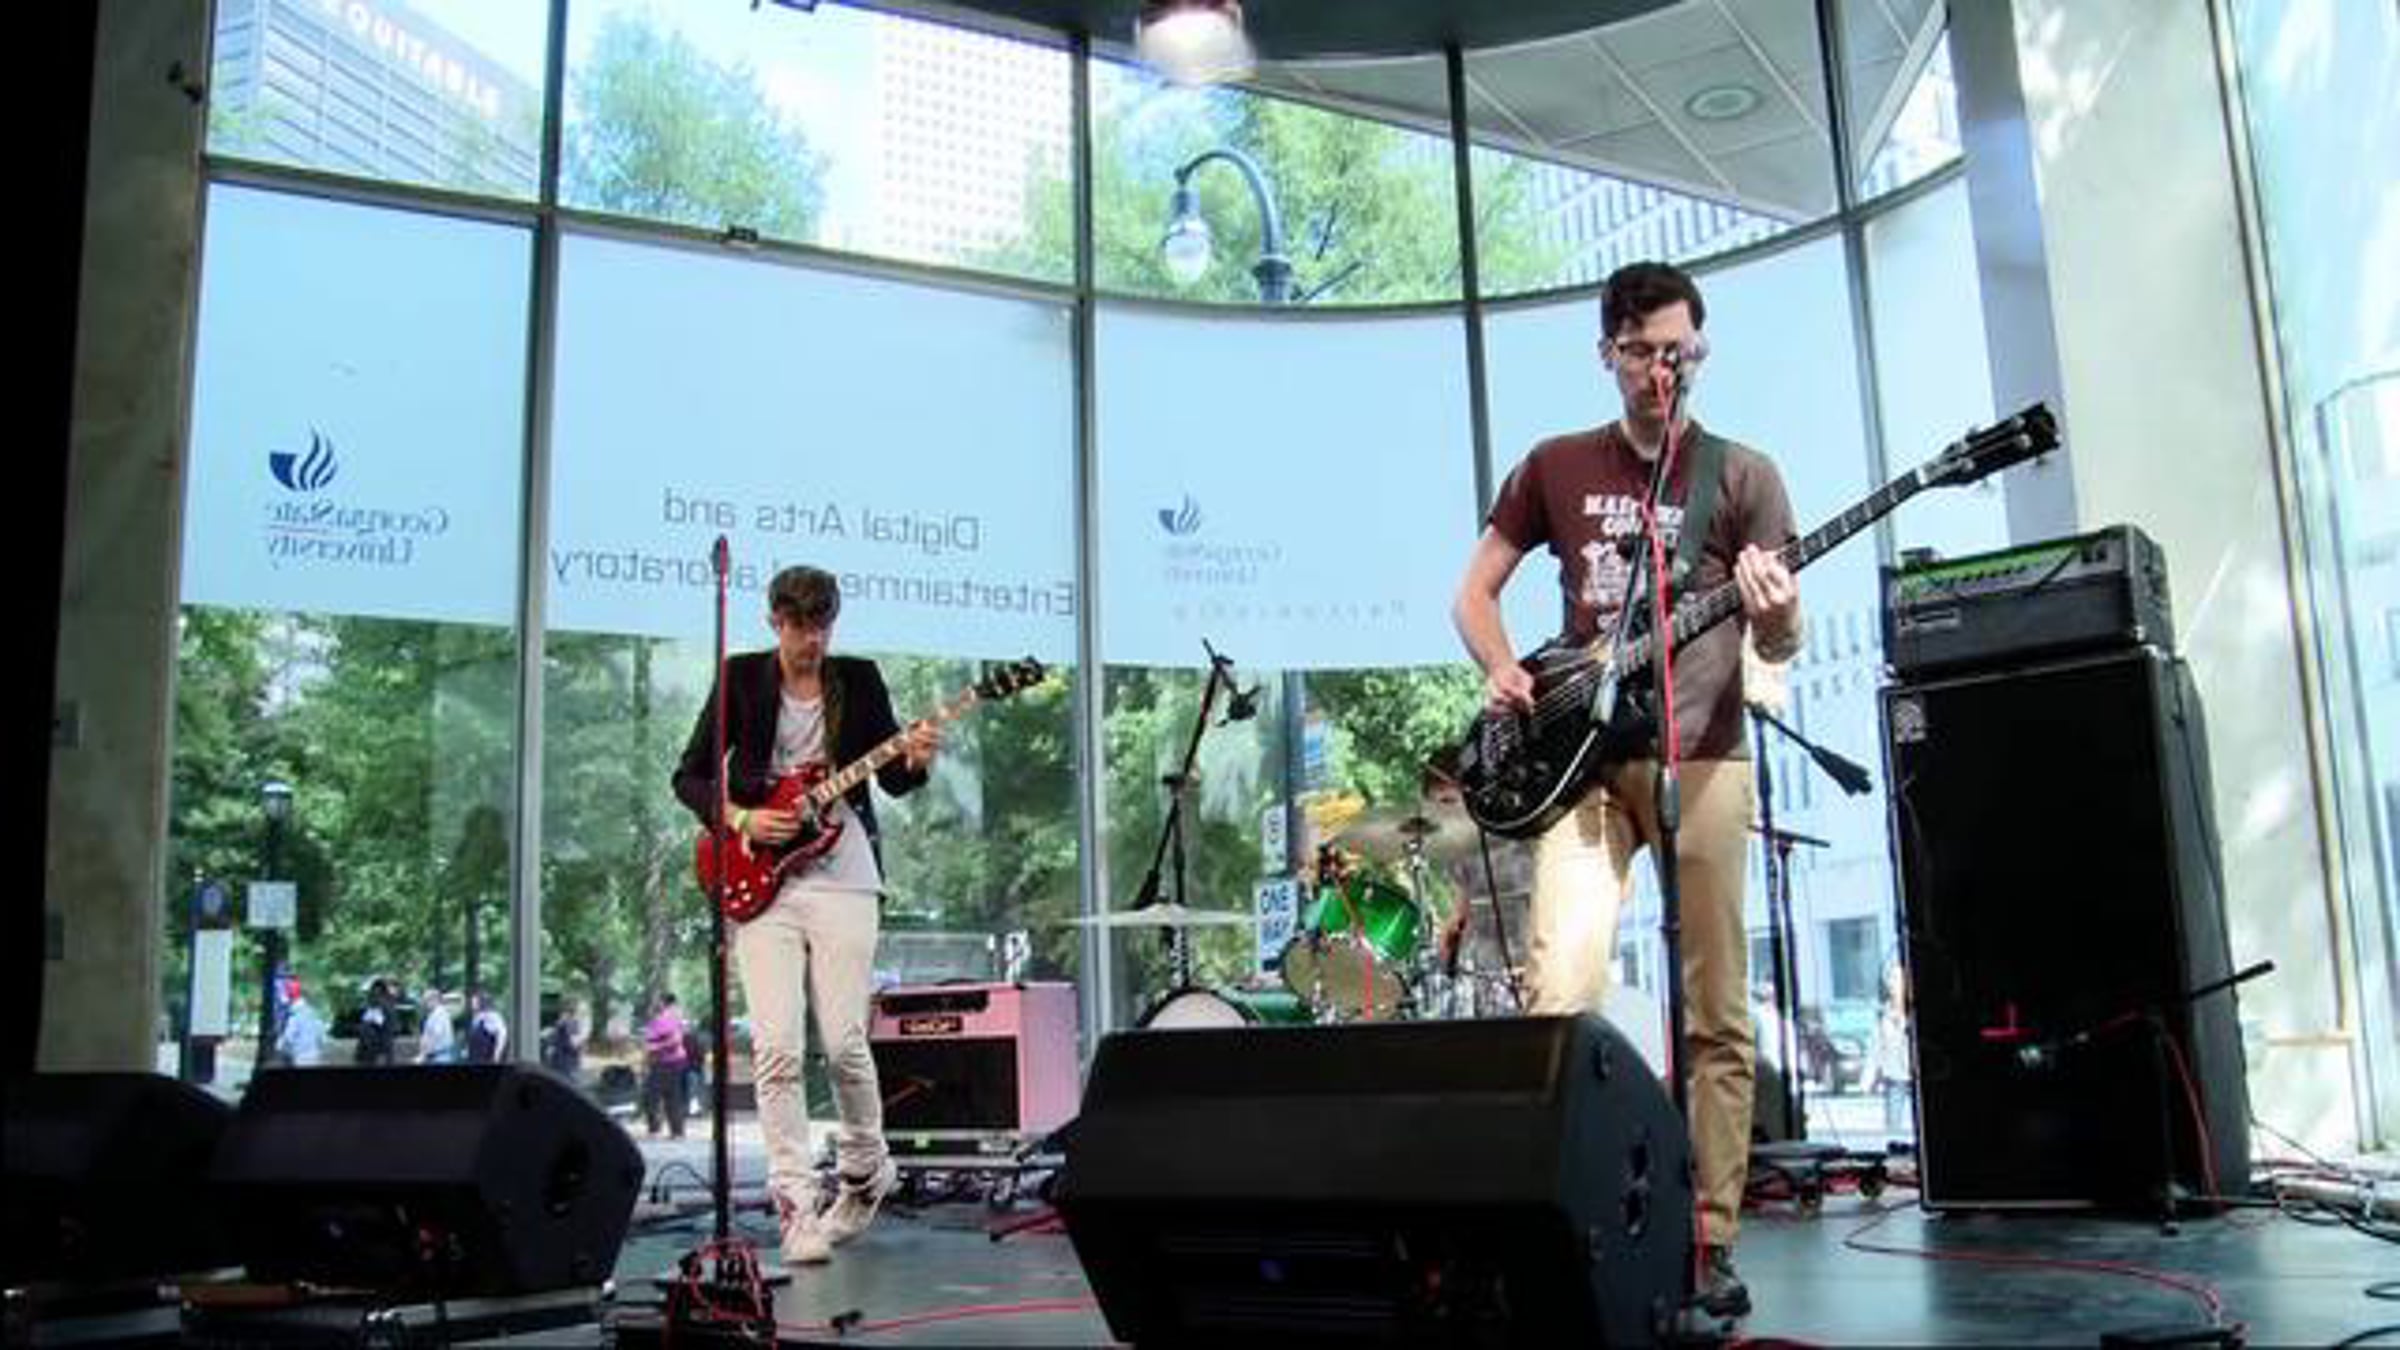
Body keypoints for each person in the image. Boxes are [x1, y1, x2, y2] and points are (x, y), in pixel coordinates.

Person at [1451, 260, 1801, 1322]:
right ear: (1608, 351)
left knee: (1716, 1014)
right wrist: (1501, 667)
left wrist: (1774, 611)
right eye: (1644, 351)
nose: (1662, 371)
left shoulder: (1744, 474)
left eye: (1679, 352)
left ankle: (1710, 1241)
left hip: (1706, 756)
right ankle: (1554, 1228)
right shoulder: (1556, 464)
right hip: (1586, 769)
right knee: (1560, 997)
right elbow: (1474, 592)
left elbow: (1783, 639)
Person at [671, 564, 940, 1267]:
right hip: (765, 880)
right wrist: (741, 818)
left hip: (845, 873)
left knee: (845, 1042)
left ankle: (866, 1168)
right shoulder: (741, 678)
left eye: (821, 626)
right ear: (775, 622)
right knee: (777, 1050)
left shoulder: (860, 680)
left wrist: (917, 759)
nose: (810, 640)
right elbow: (689, 775)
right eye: (797, 626)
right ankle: (795, 1203)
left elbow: (894, 781)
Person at [1866, 961, 1915, 1137]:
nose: (1894, 983)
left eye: (1899, 978)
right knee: (1894, 1130)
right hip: (1894, 1077)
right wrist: (1868, 1078)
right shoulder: (1883, 1013)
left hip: (1916, 1074)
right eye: (1891, 978)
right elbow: (1876, 1046)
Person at [642, 993, 690, 1139]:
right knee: (670, 1096)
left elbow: (675, 1040)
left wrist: (655, 1047)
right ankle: (675, 1131)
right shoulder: (666, 1019)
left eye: (657, 1001)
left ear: (663, 1004)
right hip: (668, 1062)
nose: (653, 1004)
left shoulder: (668, 1019)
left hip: (667, 1062)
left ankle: (659, 1130)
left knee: (654, 1095)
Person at [275, 980, 325, 1067]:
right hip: (315, 1054)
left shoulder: (295, 1016)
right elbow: (321, 1036)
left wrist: (279, 1044)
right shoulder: (314, 1013)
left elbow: (289, 1037)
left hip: (301, 1056)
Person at [354, 977, 397, 1066]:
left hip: (380, 1039)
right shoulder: (388, 1001)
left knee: (365, 1028)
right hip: (384, 1038)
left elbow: (375, 1021)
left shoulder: (379, 1002)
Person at [416, 988, 456, 1063]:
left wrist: (423, 1054)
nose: (426, 1004)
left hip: (440, 1056)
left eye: (427, 1000)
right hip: (435, 1056)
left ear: (435, 1000)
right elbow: (426, 1035)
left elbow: (436, 1035)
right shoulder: (433, 1014)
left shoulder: (440, 1014)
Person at [466, 991, 507, 1062]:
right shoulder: (476, 1018)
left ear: (481, 1002)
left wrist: (497, 1054)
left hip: (487, 1058)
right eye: (472, 1002)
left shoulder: (493, 1016)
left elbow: (502, 1034)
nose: (472, 1004)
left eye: (475, 1002)